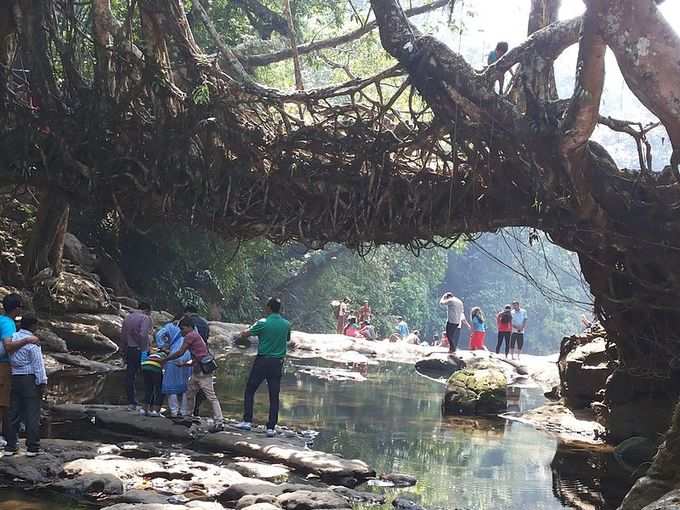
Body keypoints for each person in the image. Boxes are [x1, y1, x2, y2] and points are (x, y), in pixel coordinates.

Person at [235, 297, 292, 437]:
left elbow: (245, 334)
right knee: (274, 395)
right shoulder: (286, 324)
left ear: (269, 308)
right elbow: (288, 339)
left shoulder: (263, 322)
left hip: (262, 361)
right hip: (277, 363)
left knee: (250, 389)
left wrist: (244, 333)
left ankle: (247, 421)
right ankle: (271, 428)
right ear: (280, 309)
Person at [164, 317, 223, 427]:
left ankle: (219, 422)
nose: (181, 331)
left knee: (211, 397)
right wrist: (184, 364)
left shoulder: (190, 336)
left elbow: (180, 352)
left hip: (203, 373)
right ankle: (188, 417)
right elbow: (197, 357)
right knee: (190, 393)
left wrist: (166, 359)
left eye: (182, 329)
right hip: (197, 371)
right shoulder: (196, 335)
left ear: (189, 327)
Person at [0, 293, 39, 448]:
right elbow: (8, 346)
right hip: (3, 367)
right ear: (16, 309)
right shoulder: (8, 323)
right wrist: (27, 340)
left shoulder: (1, 319)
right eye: (20, 307)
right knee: (4, 403)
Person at [5, 315, 47, 456]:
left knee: (13, 412)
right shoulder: (33, 342)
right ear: (33, 326)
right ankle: (32, 447)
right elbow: (38, 365)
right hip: (29, 379)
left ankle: (11, 446)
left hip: (15, 378)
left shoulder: (12, 338)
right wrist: (42, 382)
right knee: (32, 413)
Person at [120, 302, 153, 411]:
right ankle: (147, 403)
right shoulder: (145, 318)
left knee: (130, 375)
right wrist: (143, 347)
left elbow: (123, 336)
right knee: (148, 376)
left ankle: (132, 402)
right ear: (147, 310)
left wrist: (123, 351)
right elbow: (143, 335)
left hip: (129, 349)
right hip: (141, 350)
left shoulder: (127, 318)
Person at [156, 320, 191, 417]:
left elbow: (159, 334)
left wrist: (162, 347)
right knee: (186, 385)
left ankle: (174, 411)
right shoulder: (191, 327)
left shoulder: (170, 326)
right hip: (188, 355)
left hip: (173, 355)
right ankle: (184, 412)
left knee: (171, 383)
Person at [183, 305, 210, 417]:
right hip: (203, 355)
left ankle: (186, 411)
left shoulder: (188, 323)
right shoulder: (204, 322)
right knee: (201, 383)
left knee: (189, 383)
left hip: (191, 353)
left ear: (188, 313)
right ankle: (196, 410)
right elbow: (206, 338)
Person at [140, 348, 167, 417]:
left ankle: (144, 410)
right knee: (159, 390)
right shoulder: (165, 354)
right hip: (155, 368)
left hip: (144, 367)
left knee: (148, 389)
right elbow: (164, 364)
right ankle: (156, 411)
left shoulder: (153, 354)